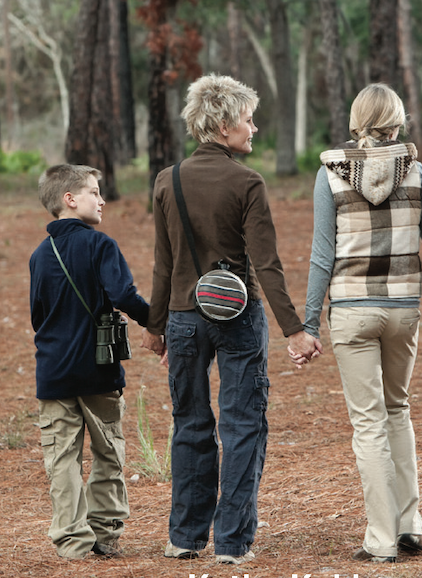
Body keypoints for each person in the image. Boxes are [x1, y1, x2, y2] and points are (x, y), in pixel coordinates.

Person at [292, 83, 422, 563]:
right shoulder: (417, 173)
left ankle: (380, 539)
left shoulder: (331, 175)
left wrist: (310, 326)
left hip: (353, 313)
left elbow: (322, 257)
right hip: (403, 311)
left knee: (368, 423)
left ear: (358, 119)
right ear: (397, 121)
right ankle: (409, 525)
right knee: (397, 410)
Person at [141, 74, 320, 565]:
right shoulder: (247, 183)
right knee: (242, 425)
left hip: (182, 319)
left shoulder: (167, 179)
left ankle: (185, 536)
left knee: (189, 424)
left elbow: (163, 261)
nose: (254, 127)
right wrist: (296, 330)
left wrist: (156, 329)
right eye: (247, 119)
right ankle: (233, 543)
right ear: (223, 125)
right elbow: (266, 264)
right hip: (238, 318)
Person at [29, 164, 150, 559]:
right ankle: (104, 533)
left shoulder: (39, 256)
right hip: (98, 369)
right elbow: (124, 296)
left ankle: (72, 542)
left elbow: (37, 314)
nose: (102, 200)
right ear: (70, 199)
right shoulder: (101, 245)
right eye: (94, 192)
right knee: (108, 453)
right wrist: (157, 324)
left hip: (52, 371)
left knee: (61, 459)